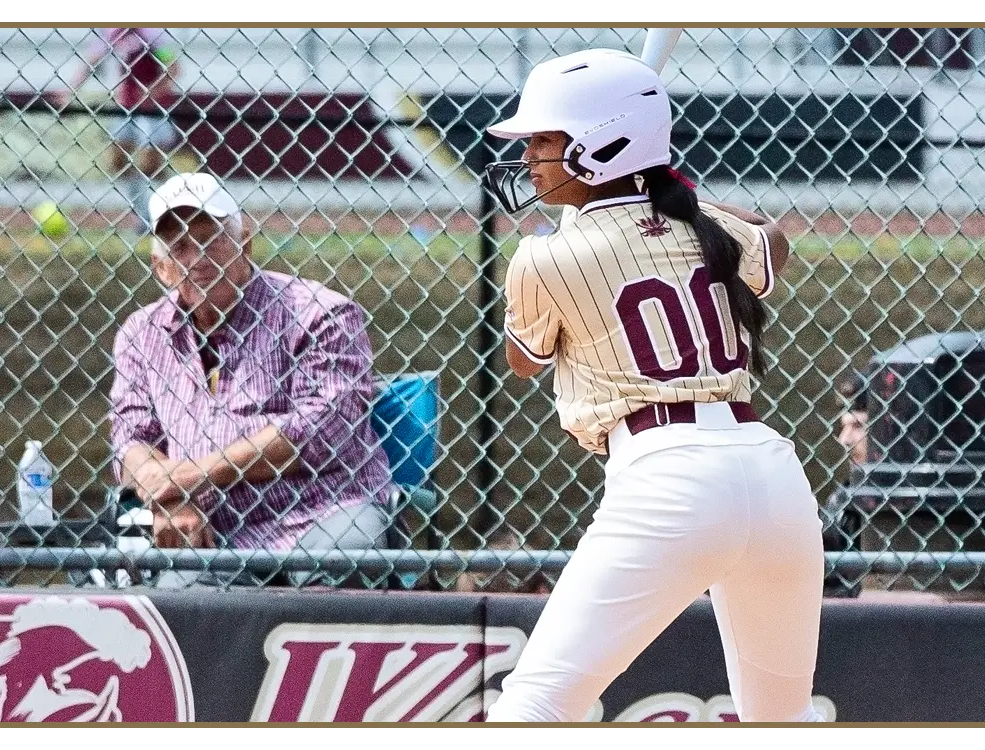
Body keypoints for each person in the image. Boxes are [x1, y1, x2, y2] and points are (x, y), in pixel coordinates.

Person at [478, 48, 823, 724]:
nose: (528, 157)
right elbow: (774, 241)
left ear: (599, 145)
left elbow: (524, 360)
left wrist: (604, 214)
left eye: (544, 140)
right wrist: (668, 190)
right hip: (773, 477)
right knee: (783, 721)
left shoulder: (543, 256)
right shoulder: (706, 226)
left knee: (536, 704)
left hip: (668, 479)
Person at [107, 172, 395, 589]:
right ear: (161, 268)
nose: (197, 259)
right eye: (180, 247)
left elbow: (322, 429)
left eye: (210, 239)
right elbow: (131, 436)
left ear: (245, 244)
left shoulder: (319, 313)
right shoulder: (141, 333)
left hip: (323, 510)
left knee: (345, 561)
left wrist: (189, 478)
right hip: (213, 530)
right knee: (176, 600)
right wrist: (168, 500)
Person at [48, 28, 184, 225]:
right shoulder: (112, 34)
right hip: (124, 108)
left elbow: (174, 67)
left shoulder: (151, 34)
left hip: (153, 110)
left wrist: (153, 90)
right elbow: (90, 62)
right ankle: (143, 212)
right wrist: (69, 91)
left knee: (152, 165)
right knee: (119, 161)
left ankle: (171, 208)